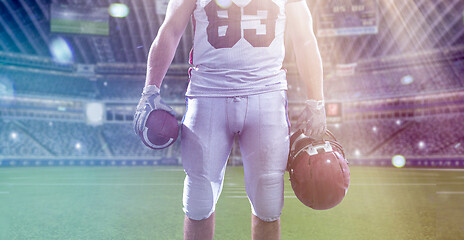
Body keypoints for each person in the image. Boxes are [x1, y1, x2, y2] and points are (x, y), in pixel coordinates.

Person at [134, 0, 327, 238]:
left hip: (265, 93)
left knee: (268, 202)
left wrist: (316, 100)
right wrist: (150, 89)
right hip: (208, 94)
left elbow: (304, 37)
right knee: (199, 200)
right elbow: (171, 29)